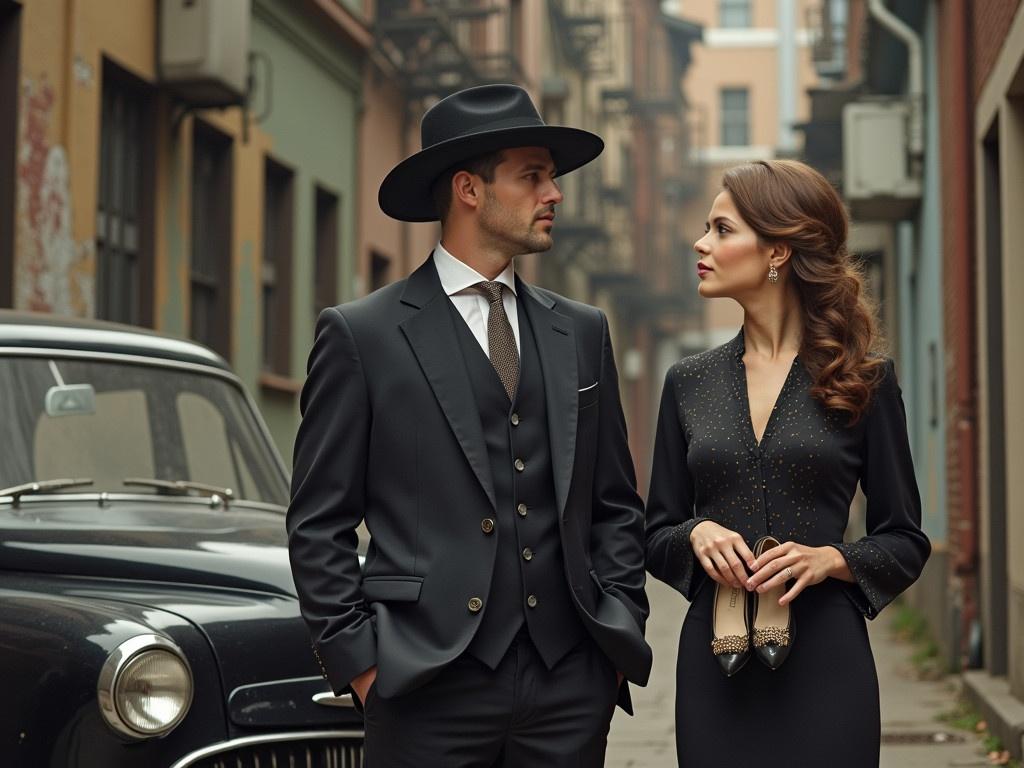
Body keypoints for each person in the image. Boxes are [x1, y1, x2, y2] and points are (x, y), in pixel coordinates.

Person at [287, 83, 652, 767]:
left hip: (569, 684)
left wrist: (617, 634)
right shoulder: (363, 335)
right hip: (424, 686)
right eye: (533, 175)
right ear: (469, 190)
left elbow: (613, 505)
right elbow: (317, 522)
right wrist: (364, 667)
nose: (556, 194)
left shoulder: (580, 330)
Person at [644, 159, 931, 767]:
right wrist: (696, 532)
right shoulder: (687, 383)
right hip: (713, 664)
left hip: (828, 661)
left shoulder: (862, 379)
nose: (701, 243)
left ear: (777, 249)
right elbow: (654, 532)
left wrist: (835, 560)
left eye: (722, 229)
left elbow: (905, 539)